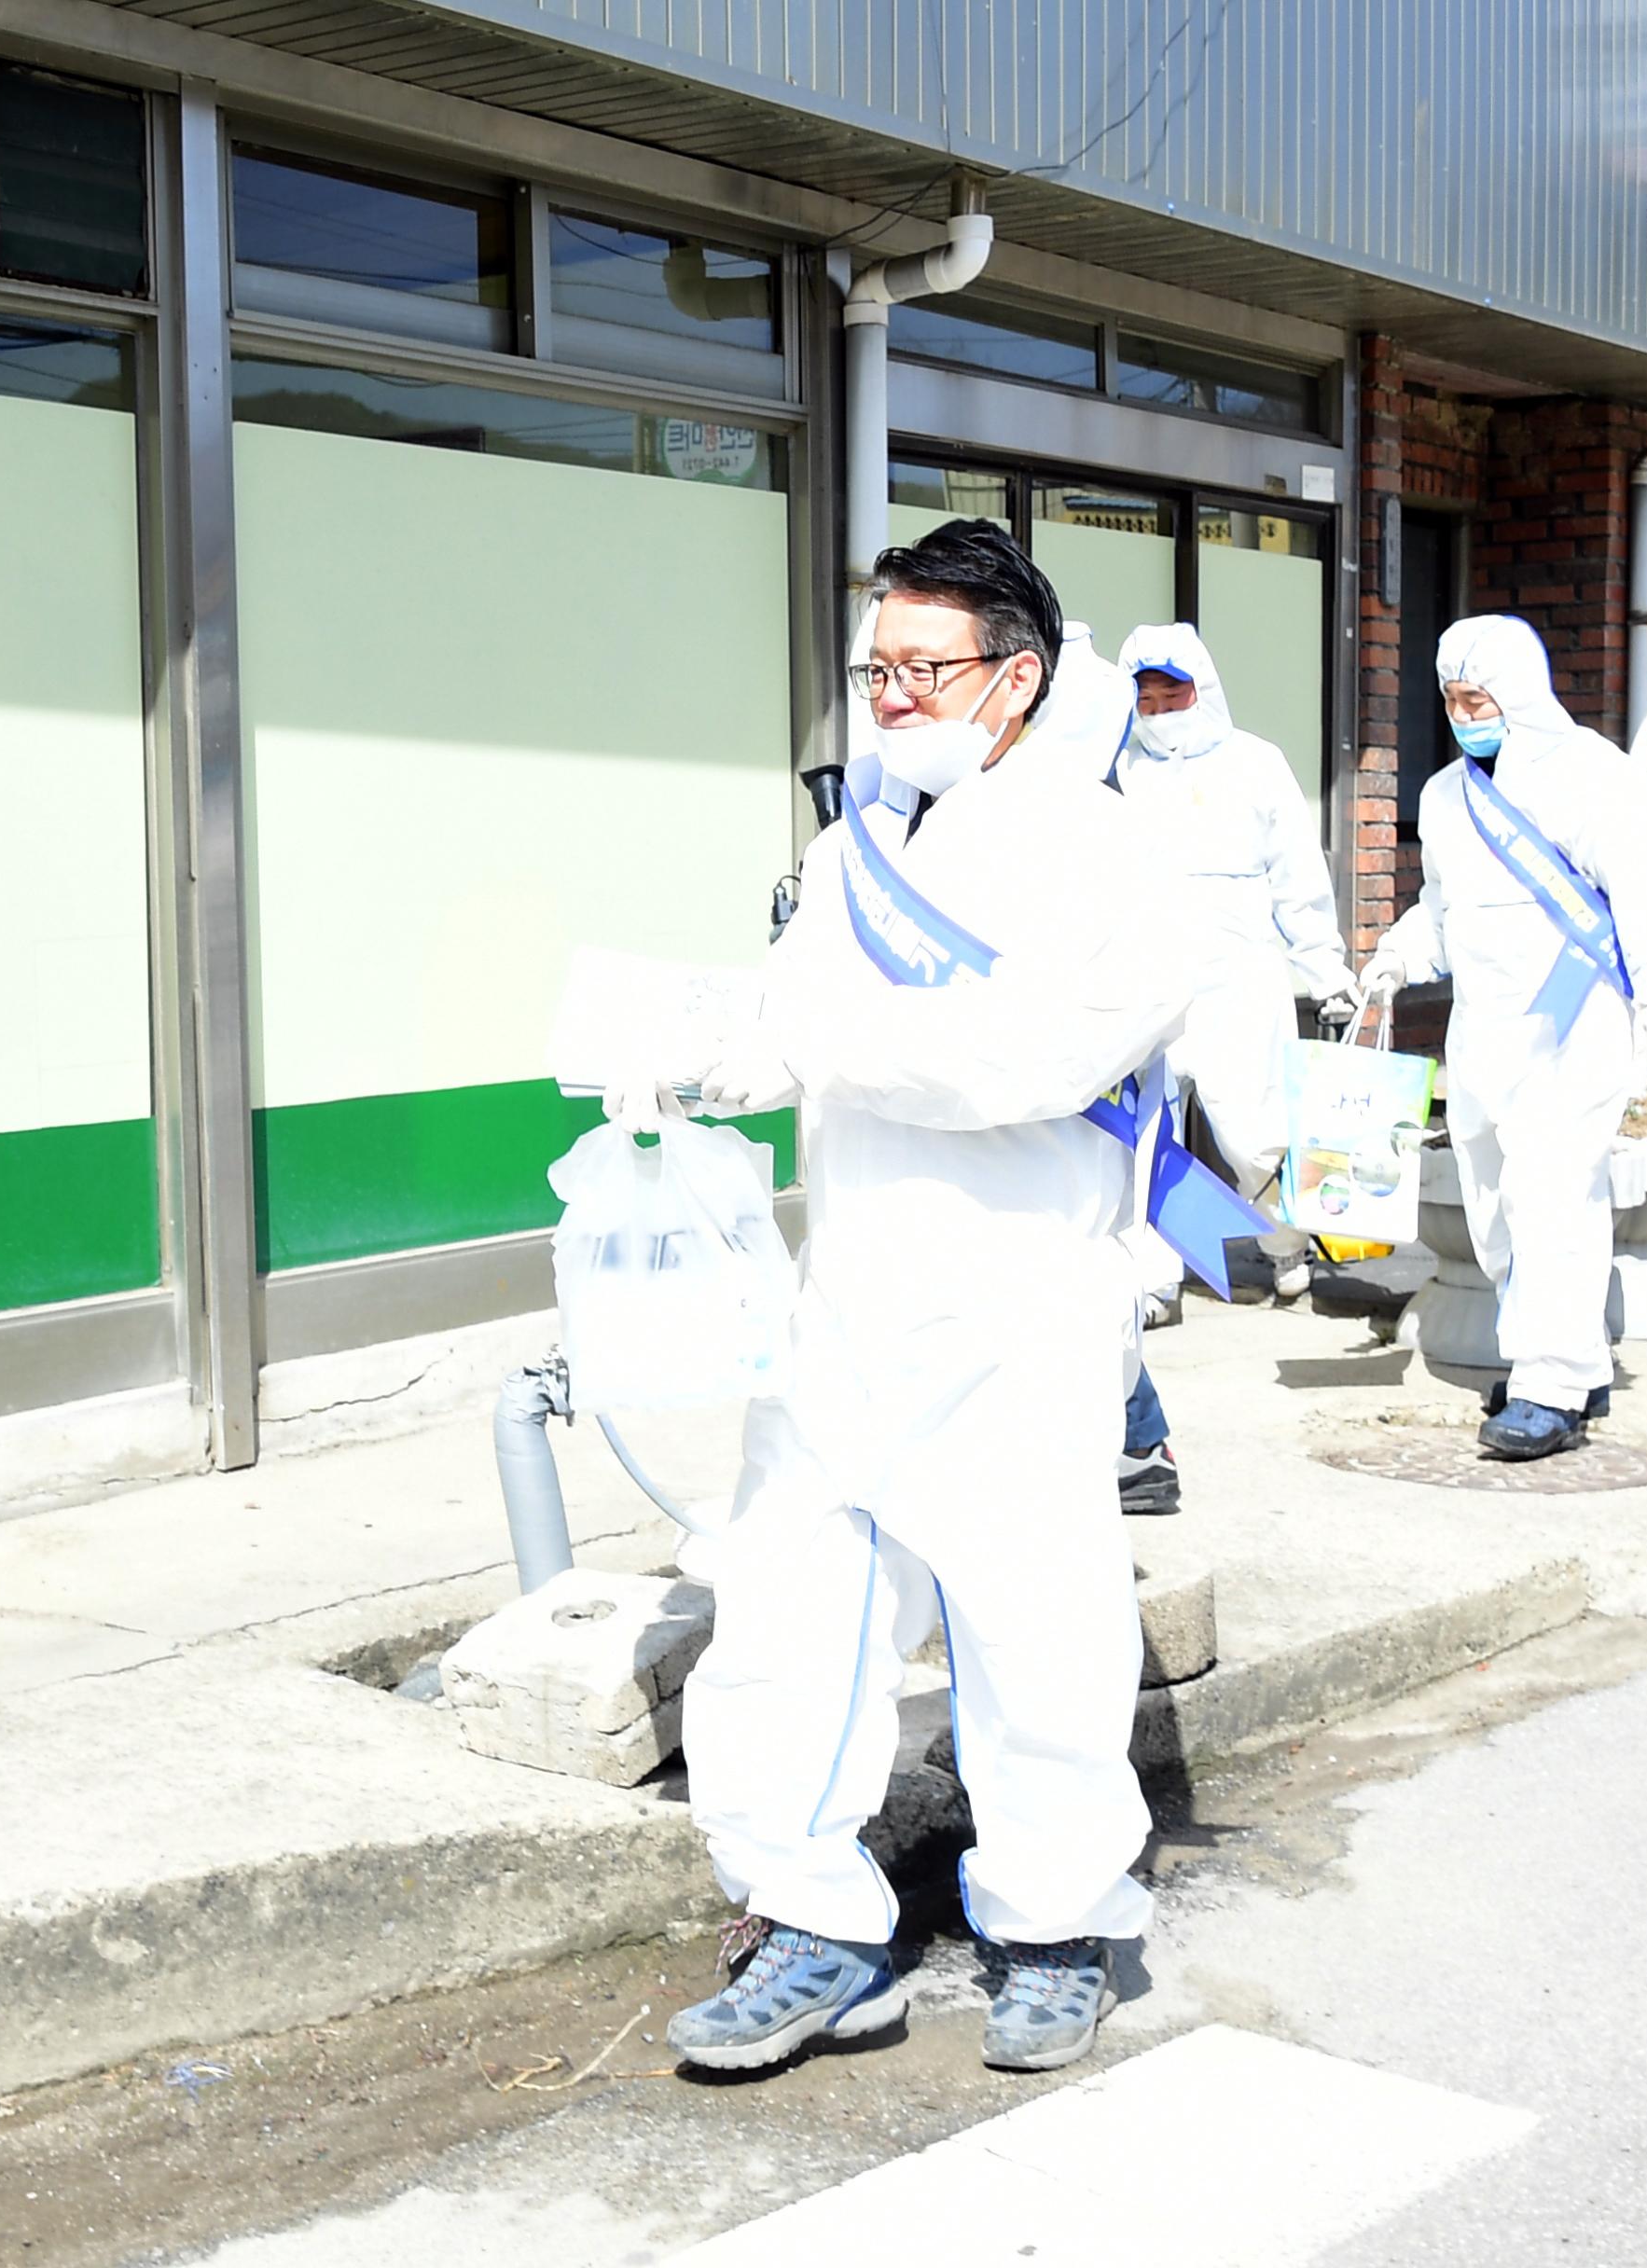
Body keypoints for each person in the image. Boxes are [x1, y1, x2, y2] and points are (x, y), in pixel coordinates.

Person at [606, 520, 1195, 2079]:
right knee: (791, 1616)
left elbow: (1029, 1059)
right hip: (848, 1297)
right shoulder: (853, 852)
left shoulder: (1109, 852)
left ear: (1016, 678)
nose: (888, 696)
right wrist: (695, 1057)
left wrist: (813, 1043)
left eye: (919, 668)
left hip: (1018, 1311)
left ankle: (1057, 1927)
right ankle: (812, 1930)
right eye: (874, 667)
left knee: (1036, 1622)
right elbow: (790, 1023)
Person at [1357, 615, 1647, 1461]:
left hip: (1578, 1025)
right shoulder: (1443, 798)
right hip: (1484, 1033)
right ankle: (1562, 1358)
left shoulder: (1597, 778)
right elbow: (1445, 908)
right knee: (1497, 1208)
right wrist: (1399, 954)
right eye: (1453, 699)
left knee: (1555, 1200)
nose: (1464, 712)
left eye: (1478, 697)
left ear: (1518, 693)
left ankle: (1550, 1386)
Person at [1113, 624, 1358, 1307]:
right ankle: (1152, 1279)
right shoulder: (1123, 772)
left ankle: (1285, 1243)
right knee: (1145, 1133)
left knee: (1253, 1128)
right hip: (1151, 976)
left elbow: (1296, 877)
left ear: (1204, 691)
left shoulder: (1254, 764)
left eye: (1173, 696)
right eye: (1147, 701)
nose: (1159, 714)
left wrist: (1325, 966)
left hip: (1237, 973)